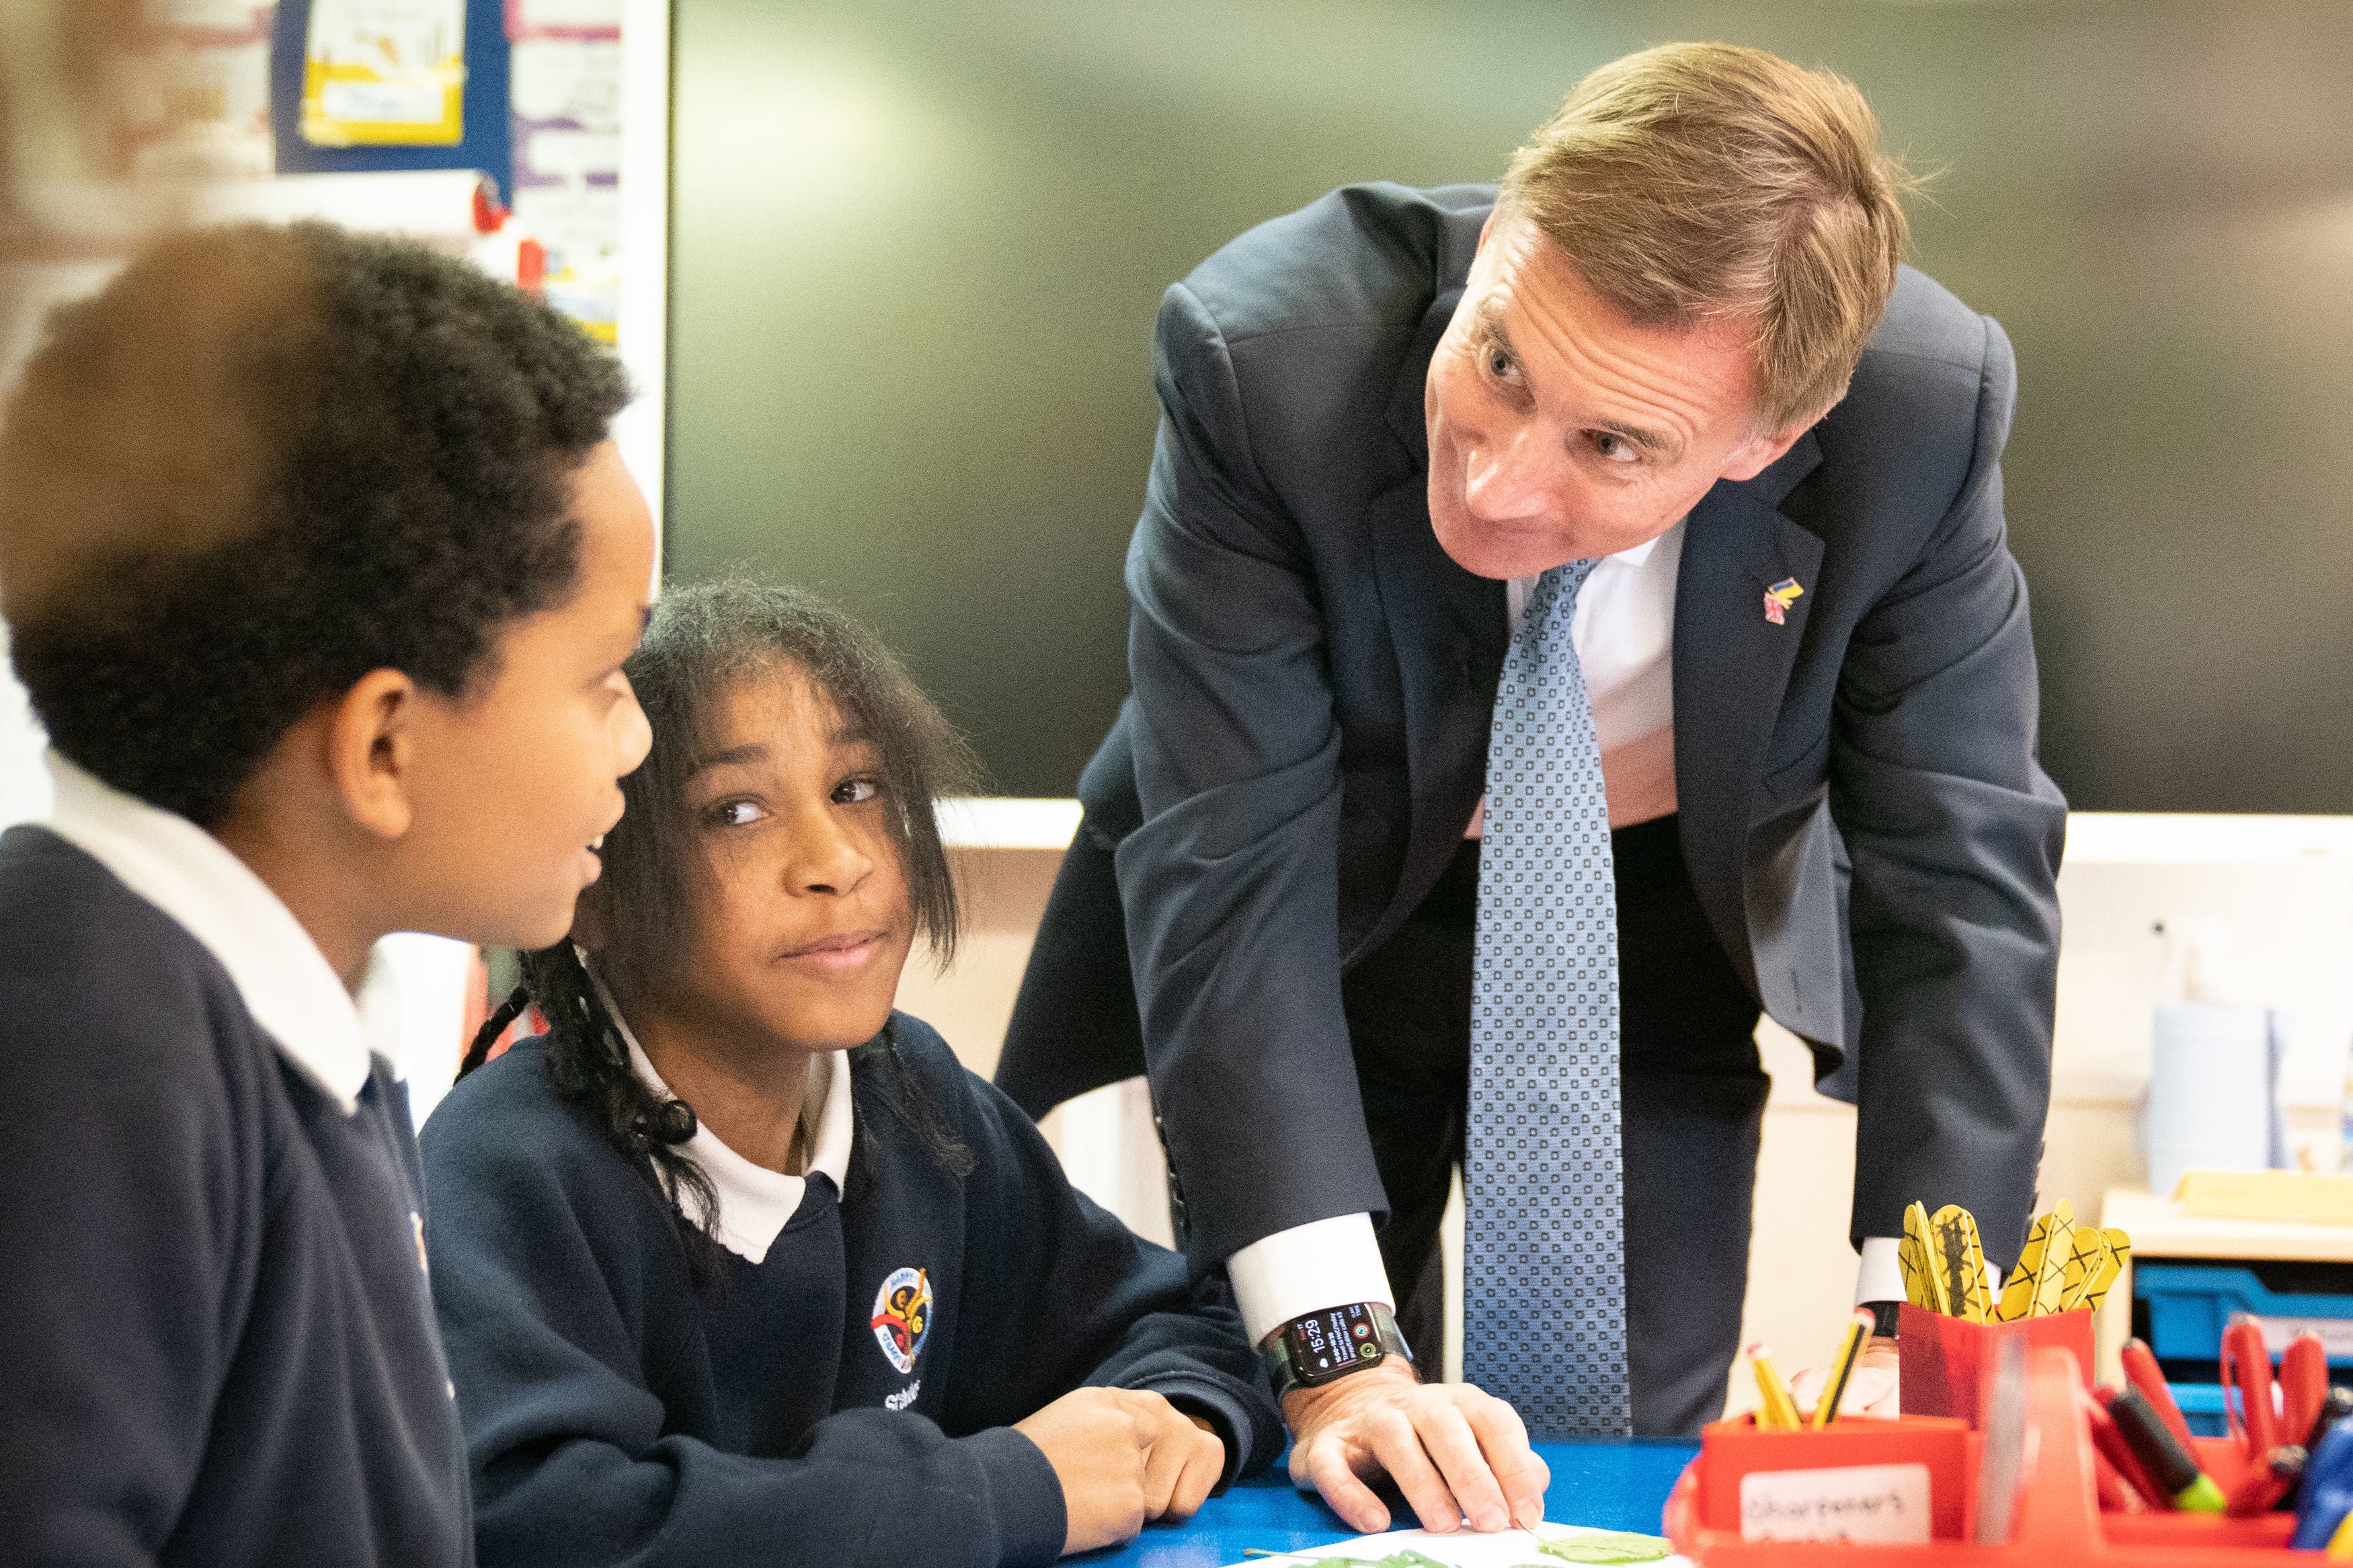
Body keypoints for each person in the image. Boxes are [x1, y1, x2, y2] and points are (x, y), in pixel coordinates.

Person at [997, 38, 2067, 1524]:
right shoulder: (1262, 360)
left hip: (1648, 932)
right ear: (1503, 235)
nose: (1494, 480)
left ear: (1770, 439)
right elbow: (1229, 871)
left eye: (1612, 443)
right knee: (1323, 1451)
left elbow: (1956, 875)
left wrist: (1933, 1344)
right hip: (1312, 912)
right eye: (1500, 361)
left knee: (1609, 1464)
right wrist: (1338, 1368)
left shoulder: (1919, 418)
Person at [0, 221, 656, 1565]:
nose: (637, 733)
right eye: (602, 678)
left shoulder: (291, 1019)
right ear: (382, 749)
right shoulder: (88, 1052)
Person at [420, 580, 1283, 1568]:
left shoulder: (910, 1096)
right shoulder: (506, 1166)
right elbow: (542, 1528)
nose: (836, 860)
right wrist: (996, 1491)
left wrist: (1177, 1419)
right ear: (593, 885)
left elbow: (1180, 1323)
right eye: (736, 810)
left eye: (857, 789)